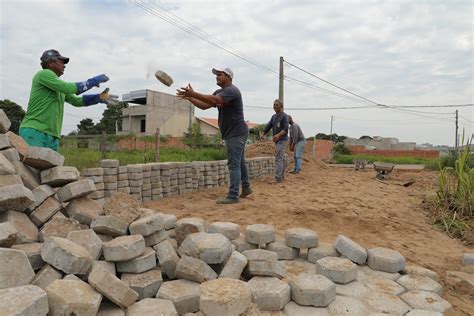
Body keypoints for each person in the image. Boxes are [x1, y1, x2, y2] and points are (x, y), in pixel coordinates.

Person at [176, 67, 252, 204]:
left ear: (229, 77)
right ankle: (246, 188)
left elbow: (215, 99)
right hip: (233, 132)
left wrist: (193, 94)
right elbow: (205, 105)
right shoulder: (220, 91)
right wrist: (189, 97)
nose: (217, 77)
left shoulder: (231, 91)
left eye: (220, 74)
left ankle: (233, 195)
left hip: (236, 132)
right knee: (239, 162)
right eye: (216, 75)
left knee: (233, 164)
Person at [19, 49, 118, 151]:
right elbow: (68, 88)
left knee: (51, 167)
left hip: (52, 134)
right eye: (61, 62)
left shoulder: (58, 86)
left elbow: (76, 101)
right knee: (33, 165)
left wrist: (98, 97)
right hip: (35, 131)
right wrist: (92, 82)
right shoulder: (44, 74)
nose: (64, 65)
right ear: (51, 63)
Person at [261, 99, 289, 182]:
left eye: (277, 105)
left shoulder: (285, 116)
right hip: (277, 141)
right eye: (274, 105)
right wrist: (263, 134)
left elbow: (285, 129)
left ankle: (278, 178)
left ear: (281, 106)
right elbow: (268, 126)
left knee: (279, 158)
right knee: (282, 158)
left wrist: (278, 135)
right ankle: (281, 177)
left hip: (282, 140)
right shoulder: (274, 117)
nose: (275, 106)